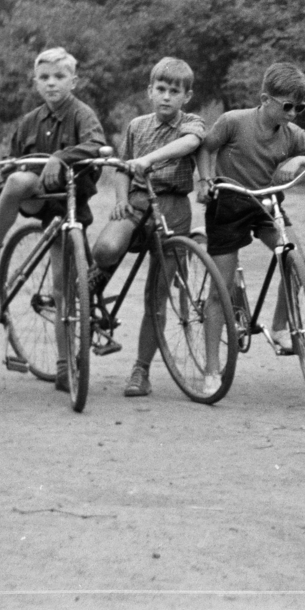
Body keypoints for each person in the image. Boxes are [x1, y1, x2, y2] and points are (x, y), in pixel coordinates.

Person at [0, 46, 105, 391]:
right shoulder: (29, 121)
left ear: (74, 80)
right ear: (35, 81)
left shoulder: (83, 115)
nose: (51, 84)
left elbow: (97, 145)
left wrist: (62, 156)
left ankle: (63, 364)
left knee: (62, 288)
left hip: (70, 207)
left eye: (59, 77)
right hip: (38, 199)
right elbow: (16, 158)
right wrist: (9, 167)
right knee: (19, 179)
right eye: (44, 78)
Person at [197, 63, 305, 352]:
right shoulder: (234, 121)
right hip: (228, 203)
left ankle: (279, 327)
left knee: (294, 260)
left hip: (265, 204)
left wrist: (300, 161)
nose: (291, 114)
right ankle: (212, 372)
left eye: (299, 108)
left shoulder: (291, 133)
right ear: (265, 100)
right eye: (287, 106)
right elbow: (205, 147)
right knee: (220, 289)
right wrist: (204, 180)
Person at [88, 57, 208, 397]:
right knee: (106, 248)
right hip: (138, 201)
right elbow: (123, 168)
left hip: (173, 207)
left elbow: (191, 144)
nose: (167, 97)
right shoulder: (138, 126)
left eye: (174, 91)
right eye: (161, 89)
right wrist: (121, 198)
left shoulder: (192, 123)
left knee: (157, 295)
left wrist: (150, 160)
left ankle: (141, 371)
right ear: (149, 92)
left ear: (187, 96)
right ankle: (94, 280)